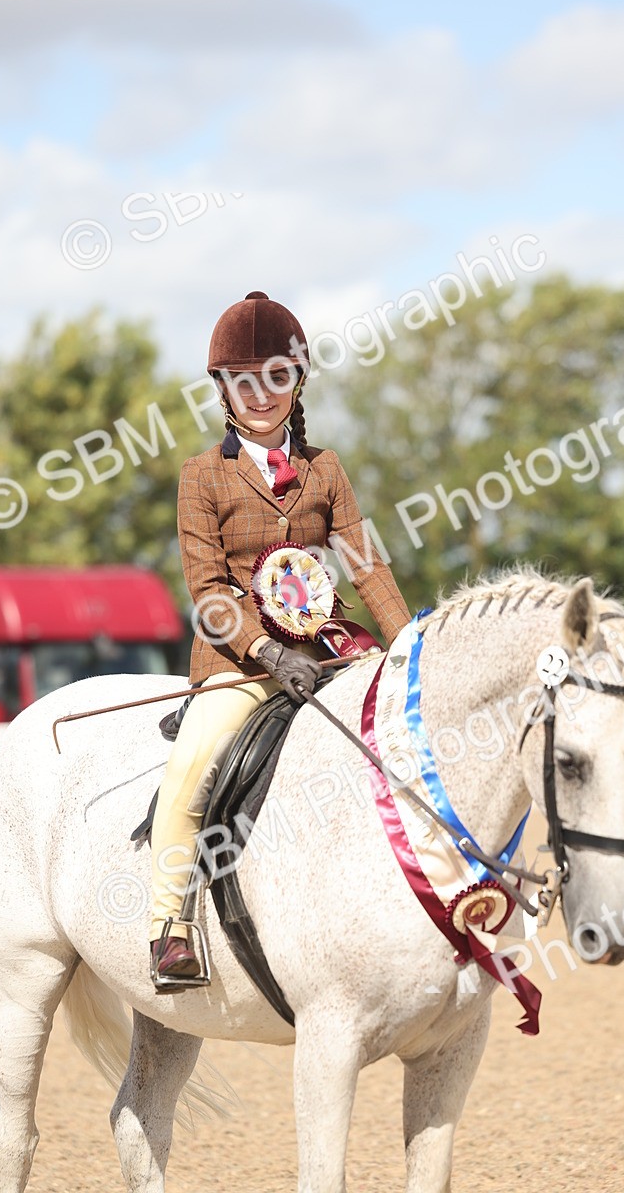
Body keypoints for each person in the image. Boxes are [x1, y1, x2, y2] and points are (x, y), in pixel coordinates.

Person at [149, 290, 412, 989]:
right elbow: (206, 593)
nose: (260, 394)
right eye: (243, 380)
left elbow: (366, 564)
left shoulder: (325, 468)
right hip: (240, 663)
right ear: (222, 390)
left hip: (326, 649)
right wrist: (268, 653)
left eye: (275, 377)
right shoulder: (201, 475)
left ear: (297, 383)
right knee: (192, 771)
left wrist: (412, 646)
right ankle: (170, 926)